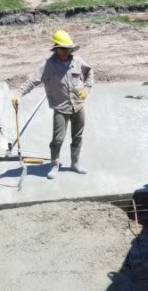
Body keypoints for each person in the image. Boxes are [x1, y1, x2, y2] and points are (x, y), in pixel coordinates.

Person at [14, 30, 95, 179]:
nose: (66, 52)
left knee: (77, 136)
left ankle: (75, 163)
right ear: (56, 48)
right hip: (61, 108)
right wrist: (19, 94)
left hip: (78, 105)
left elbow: (90, 73)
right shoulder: (48, 66)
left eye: (68, 49)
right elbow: (32, 80)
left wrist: (87, 89)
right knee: (57, 139)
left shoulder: (77, 61)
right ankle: (54, 164)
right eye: (63, 49)